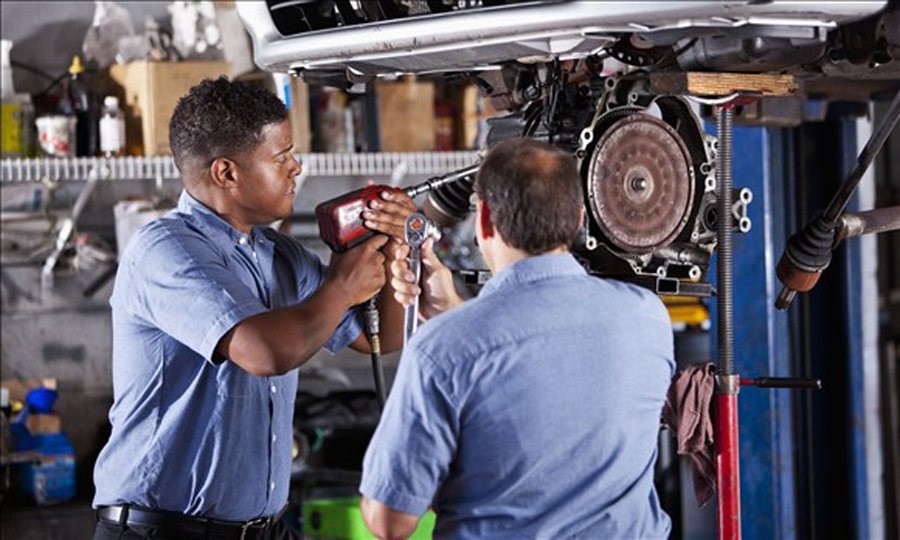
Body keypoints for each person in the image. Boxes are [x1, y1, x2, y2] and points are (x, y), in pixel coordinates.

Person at [92, 77, 416, 539]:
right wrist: (342, 285)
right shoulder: (164, 250)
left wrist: (390, 248)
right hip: (163, 531)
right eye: (281, 156)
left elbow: (376, 337)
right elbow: (263, 352)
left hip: (263, 528)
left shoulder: (279, 255)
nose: (296, 167)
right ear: (226, 173)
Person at [359, 138, 675, 539]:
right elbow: (549, 373)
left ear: (485, 219)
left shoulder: (443, 350)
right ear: (579, 218)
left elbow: (391, 521)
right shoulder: (647, 317)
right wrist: (452, 309)